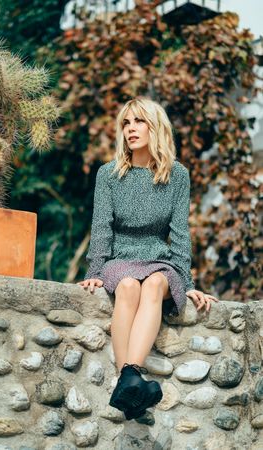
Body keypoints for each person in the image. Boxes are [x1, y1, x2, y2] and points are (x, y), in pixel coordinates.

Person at [77, 97, 219, 420]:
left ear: (156, 127)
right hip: (120, 260)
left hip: (159, 260)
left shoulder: (177, 176)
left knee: (154, 285)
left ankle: (128, 376)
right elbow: (102, 227)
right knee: (128, 287)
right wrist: (95, 270)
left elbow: (180, 235)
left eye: (139, 122)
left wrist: (188, 282)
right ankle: (132, 383)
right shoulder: (108, 175)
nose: (131, 129)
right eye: (126, 124)